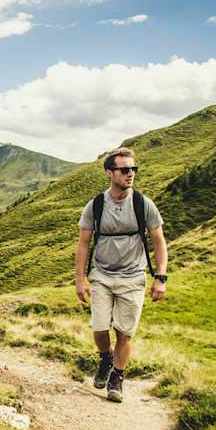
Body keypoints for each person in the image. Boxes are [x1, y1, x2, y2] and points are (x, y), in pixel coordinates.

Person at [74, 147, 168, 403]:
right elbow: (83, 243)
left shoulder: (143, 204)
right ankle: (105, 358)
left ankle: (118, 376)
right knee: (99, 326)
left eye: (133, 169)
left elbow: (159, 241)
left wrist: (161, 278)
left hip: (133, 277)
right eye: (124, 170)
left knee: (125, 332)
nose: (130, 174)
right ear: (109, 173)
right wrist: (80, 280)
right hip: (102, 275)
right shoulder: (95, 205)